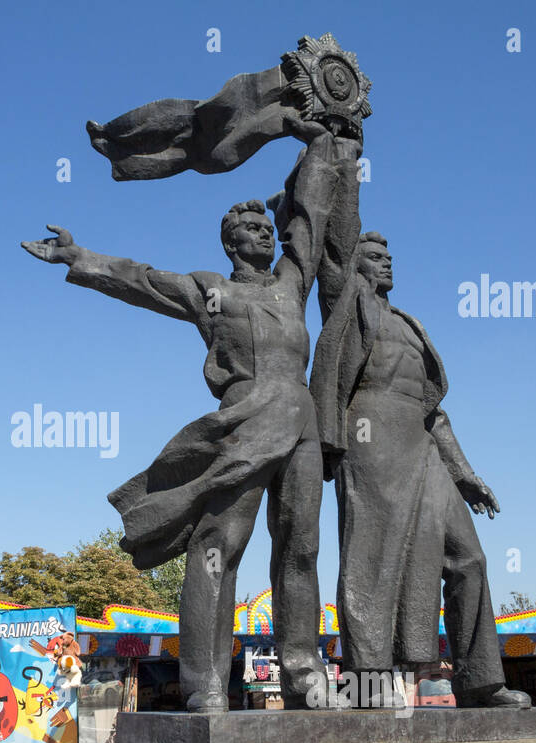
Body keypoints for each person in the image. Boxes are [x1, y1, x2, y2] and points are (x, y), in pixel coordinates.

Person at [23, 118, 360, 711]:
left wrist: (324, 148)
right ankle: (204, 682)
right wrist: (81, 258)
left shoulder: (290, 285)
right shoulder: (212, 291)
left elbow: (306, 223)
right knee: (220, 541)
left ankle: (303, 672)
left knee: (300, 548)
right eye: (251, 229)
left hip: (301, 419)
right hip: (245, 419)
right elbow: (144, 281)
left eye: (264, 226)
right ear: (232, 244)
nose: (263, 233)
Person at [307, 179, 530, 707]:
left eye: (390, 257)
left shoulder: (409, 322)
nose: (387, 264)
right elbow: (336, 249)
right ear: (355, 264)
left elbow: (435, 409)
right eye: (376, 256)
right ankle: (369, 683)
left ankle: (480, 680)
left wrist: (463, 471)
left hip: (422, 444)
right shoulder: (348, 303)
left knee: (467, 558)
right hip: (371, 440)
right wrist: (339, 166)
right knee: (371, 560)